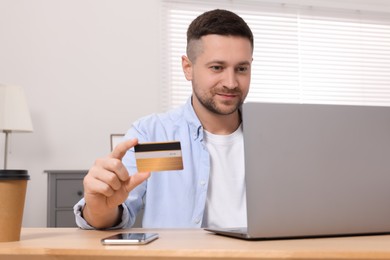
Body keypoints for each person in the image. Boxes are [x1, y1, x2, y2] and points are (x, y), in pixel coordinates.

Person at [74, 9, 254, 229]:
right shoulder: (156, 136)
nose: (231, 82)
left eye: (242, 68)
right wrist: (100, 209)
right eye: (217, 67)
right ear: (188, 68)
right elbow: (116, 210)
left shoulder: (275, 137)